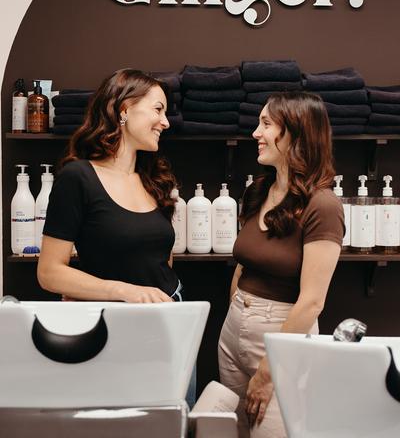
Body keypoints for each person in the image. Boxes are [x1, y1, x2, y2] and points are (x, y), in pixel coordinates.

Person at [37, 68, 196, 403]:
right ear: (124, 110)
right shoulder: (78, 177)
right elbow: (49, 272)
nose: (165, 122)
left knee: (175, 418)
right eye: (158, 109)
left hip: (171, 320)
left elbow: (160, 260)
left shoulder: (153, 180)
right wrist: (122, 291)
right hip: (115, 329)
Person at [218, 92, 344, 438]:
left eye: (266, 124)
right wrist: (238, 310)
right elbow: (243, 264)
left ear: (296, 133)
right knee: (234, 431)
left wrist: (268, 371)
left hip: (282, 336)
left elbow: (312, 301)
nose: (255, 133)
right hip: (234, 329)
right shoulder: (259, 191)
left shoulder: (323, 205)